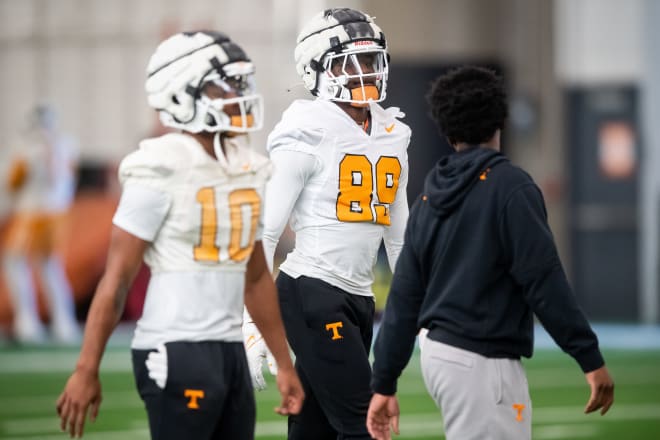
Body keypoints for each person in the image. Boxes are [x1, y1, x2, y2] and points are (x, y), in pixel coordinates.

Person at [56, 31, 304, 439]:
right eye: (223, 83)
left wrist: (284, 363)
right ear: (180, 94)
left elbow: (256, 276)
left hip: (229, 350)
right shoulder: (159, 167)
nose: (236, 92)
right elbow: (116, 279)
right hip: (174, 347)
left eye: (239, 82)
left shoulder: (249, 167)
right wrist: (86, 369)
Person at [366, 66, 615, 440]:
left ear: (447, 132)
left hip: (439, 355)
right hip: (481, 361)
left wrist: (384, 381)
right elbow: (544, 282)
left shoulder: (428, 198)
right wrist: (590, 358)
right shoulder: (512, 189)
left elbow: (404, 297)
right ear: (501, 119)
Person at [244, 8, 411, 440]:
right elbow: (264, 231)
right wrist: (252, 322)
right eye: (348, 63)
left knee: (314, 429)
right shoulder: (306, 128)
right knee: (365, 422)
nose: (363, 73)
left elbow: (398, 234)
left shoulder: (392, 132)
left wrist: (419, 307)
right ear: (314, 70)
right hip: (311, 290)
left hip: (358, 299)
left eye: (371, 61)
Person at [2, 105, 80, 344]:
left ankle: (31, 321)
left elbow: (13, 183)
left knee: (20, 264)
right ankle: (60, 322)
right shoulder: (66, 145)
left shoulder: (30, 148)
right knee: (48, 267)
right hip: (53, 213)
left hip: (34, 214)